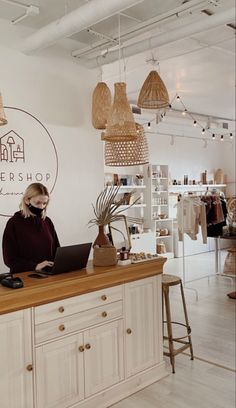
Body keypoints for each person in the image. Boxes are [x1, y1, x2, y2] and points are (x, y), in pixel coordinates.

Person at [2, 183, 60, 273]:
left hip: (48, 275)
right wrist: (35, 266)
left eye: (44, 203)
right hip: (25, 277)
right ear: (27, 200)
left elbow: (57, 250)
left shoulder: (47, 221)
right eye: (38, 203)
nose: (41, 207)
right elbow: (9, 259)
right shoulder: (14, 223)